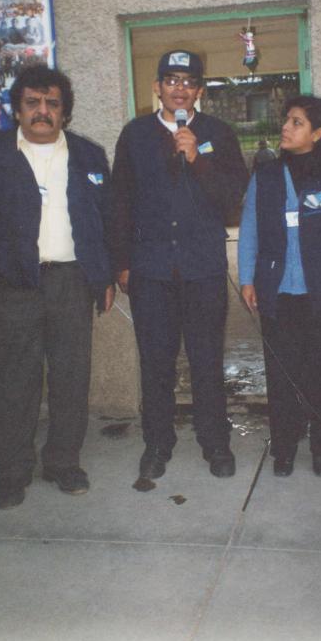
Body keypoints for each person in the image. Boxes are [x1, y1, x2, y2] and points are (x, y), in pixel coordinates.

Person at [0, 64, 115, 509]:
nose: (43, 112)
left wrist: (105, 275)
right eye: (33, 103)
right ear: (17, 110)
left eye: (52, 104)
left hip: (72, 282)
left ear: (65, 112)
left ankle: (63, 462)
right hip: (12, 284)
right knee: (13, 381)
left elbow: (107, 222)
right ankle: (12, 470)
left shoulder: (89, 155)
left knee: (70, 379)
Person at [112, 49, 249, 479]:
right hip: (151, 271)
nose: (179, 88)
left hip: (202, 269)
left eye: (188, 82)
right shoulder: (134, 135)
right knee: (156, 362)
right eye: (170, 80)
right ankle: (158, 443)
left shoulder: (218, 135)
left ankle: (215, 443)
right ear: (157, 87)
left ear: (200, 91)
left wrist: (197, 159)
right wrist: (121, 262)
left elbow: (233, 200)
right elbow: (119, 203)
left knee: (207, 360)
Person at [239, 96, 321, 478]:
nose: (285, 127)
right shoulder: (265, 176)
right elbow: (249, 232)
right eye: (287, 120)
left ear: (317, 132)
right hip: (278, 294)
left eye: (296, 122)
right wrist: (248, 277)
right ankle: (283, 448)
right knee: (282, 377)